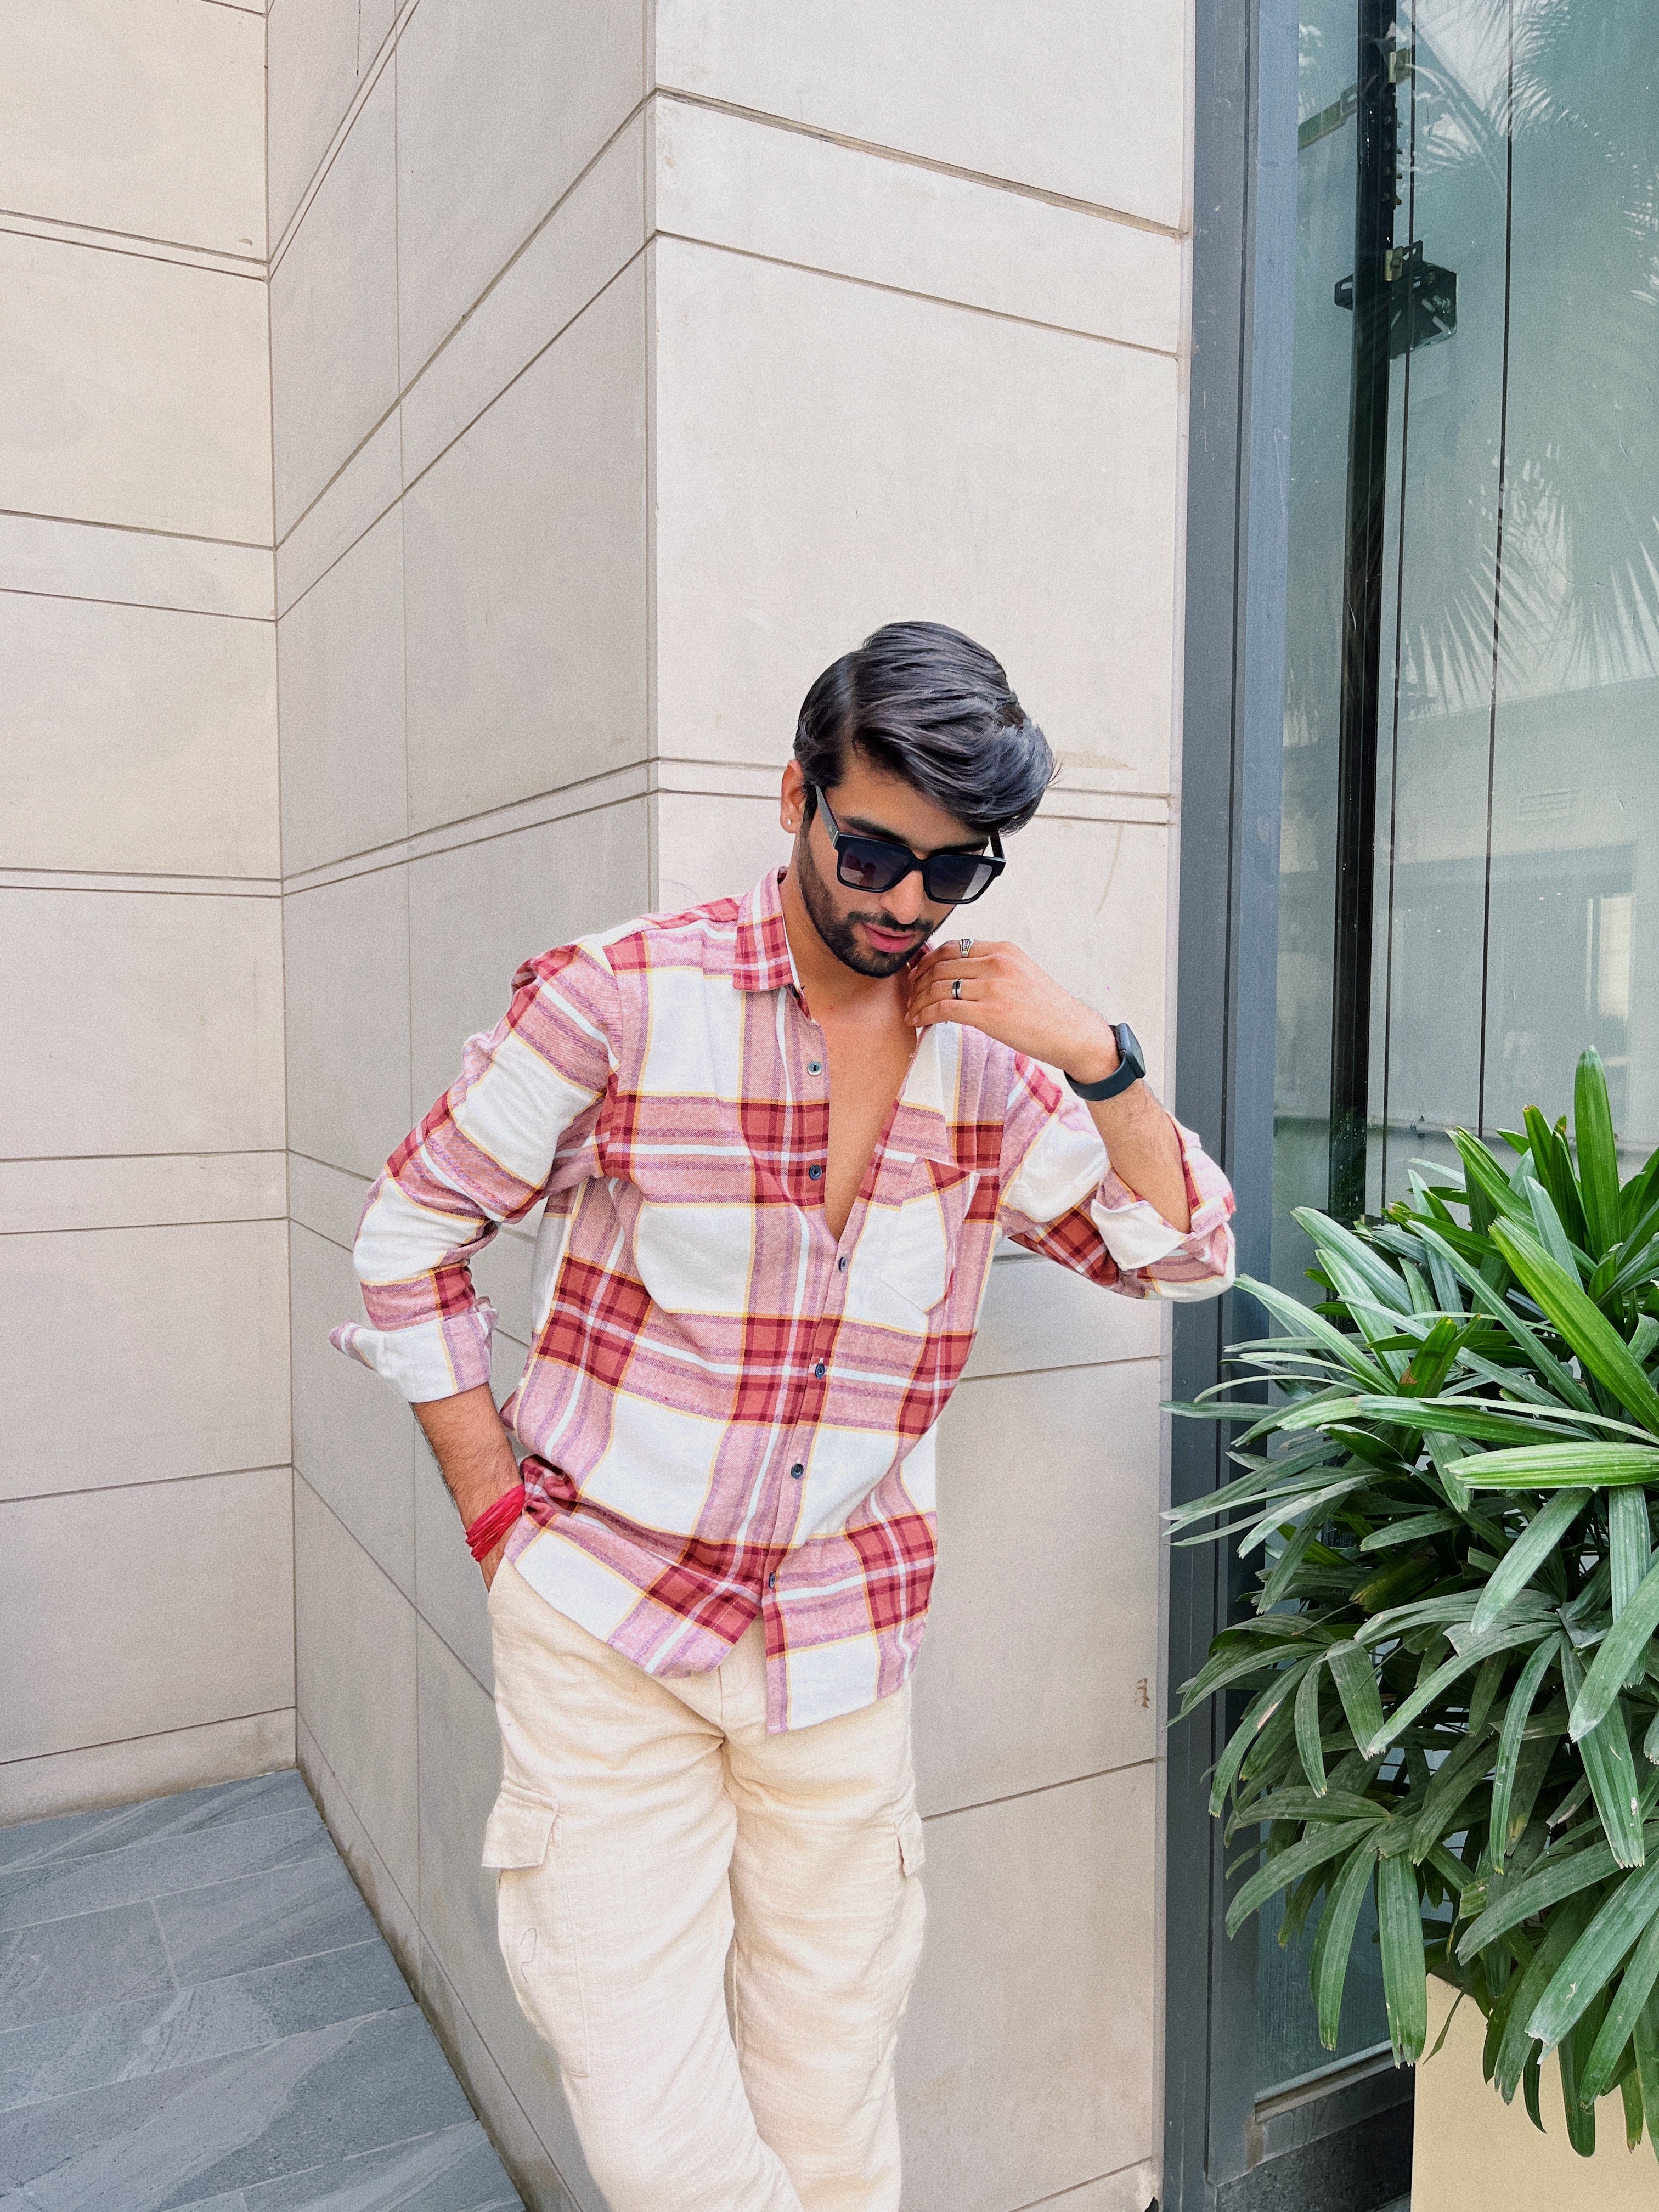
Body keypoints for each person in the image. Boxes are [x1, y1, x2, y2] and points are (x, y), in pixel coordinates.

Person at [332, 620, 1235, 2212]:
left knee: (829, 2095)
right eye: (874, 849)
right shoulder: (621, 1001)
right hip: (607, 1627)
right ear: (794, 798)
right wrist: (496, 1520)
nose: (903, 902)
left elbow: (1183, 1254)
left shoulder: (991, 1066)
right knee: (643, 2113)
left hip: (841, 1646)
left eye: (952, 872)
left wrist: (1098, 1059)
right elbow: (410, 1234)